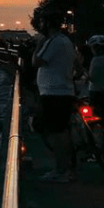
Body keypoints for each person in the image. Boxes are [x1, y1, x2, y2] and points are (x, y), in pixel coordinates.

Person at [33, 11, 79, 182]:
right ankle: (66, 168)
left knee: (57, 133)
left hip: (54, 93)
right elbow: (76, 63)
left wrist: (38, 45)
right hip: (62, 91)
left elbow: (36, 61)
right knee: (62, 131)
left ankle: (61, 170)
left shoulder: (53, 41)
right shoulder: (66, 41)